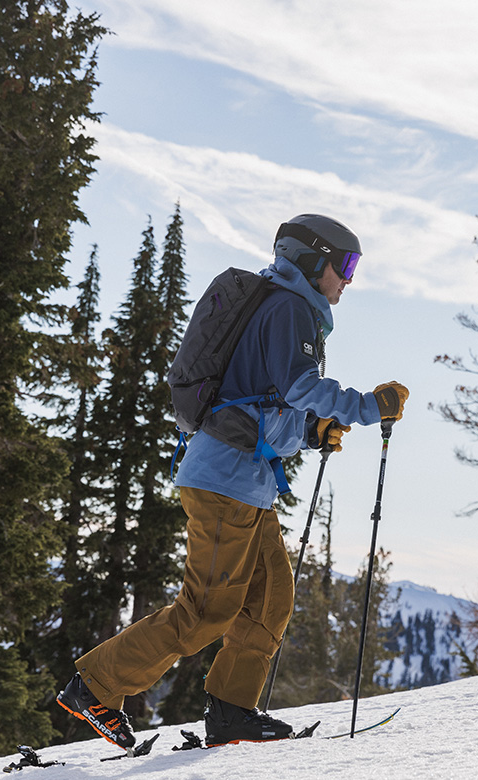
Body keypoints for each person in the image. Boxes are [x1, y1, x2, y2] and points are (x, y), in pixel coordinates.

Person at [56, 213, 409, 749]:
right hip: (225, 481)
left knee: (270, 599)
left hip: (243, 482)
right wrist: (365, 406)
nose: (349, 278)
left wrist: (312, 432)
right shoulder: (290, 307)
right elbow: (299, 385)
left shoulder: (284, 305)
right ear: (314, 259)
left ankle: (231, 712)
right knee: (205, 610)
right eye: (346, 263)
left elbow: (266, 399)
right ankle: (95, 686)